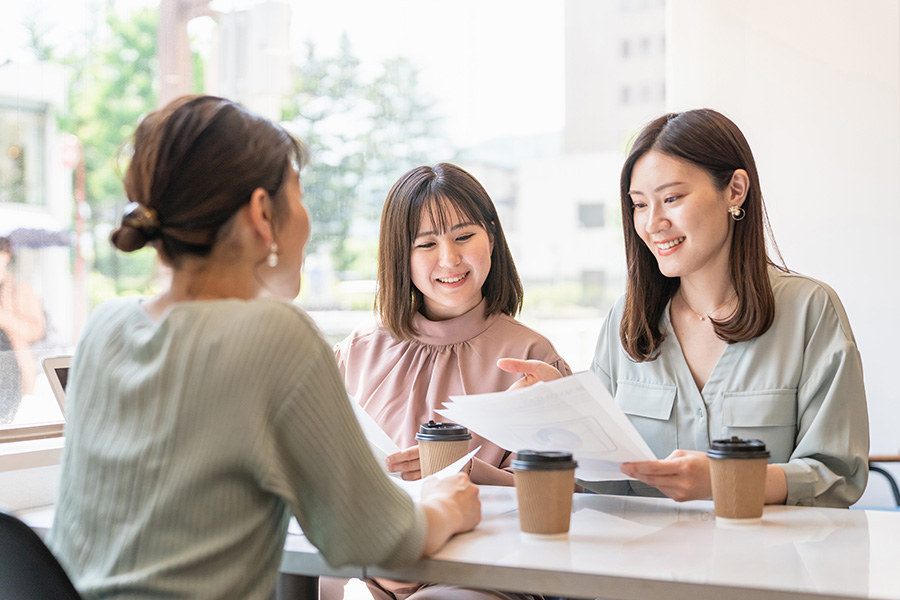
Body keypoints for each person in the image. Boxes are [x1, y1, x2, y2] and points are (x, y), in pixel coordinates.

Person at [46, 95, 481, 600]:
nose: (307, 220)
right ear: (261, 213)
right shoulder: (276, 335)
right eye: (298, 196)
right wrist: (448, 506)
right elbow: (374, 537)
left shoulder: (105, 327)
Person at [500, 108, 868, 508]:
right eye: (640, 204)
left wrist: (727, 480)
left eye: (672, 198)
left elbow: (837, 477)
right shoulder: (627, 321)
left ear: (735, 190)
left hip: (770, 549)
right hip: (646, 549)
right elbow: (608, 485)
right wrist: (562, 413)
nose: (653, 223)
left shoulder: (810, 311)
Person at [321, 163, 571, 600]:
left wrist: (465, 471)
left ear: (491, 236)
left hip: (483, 575)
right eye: (426, 244)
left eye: (463, 236)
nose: (450, 259)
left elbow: (563, 500)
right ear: (400, 255)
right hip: (370, 569)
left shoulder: (532, 356)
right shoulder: (357, 351)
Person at [0, 236, 46, 423]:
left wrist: (5, 318)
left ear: (6, 256)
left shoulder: (19, 287)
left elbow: (37, 330)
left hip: (10, 371)